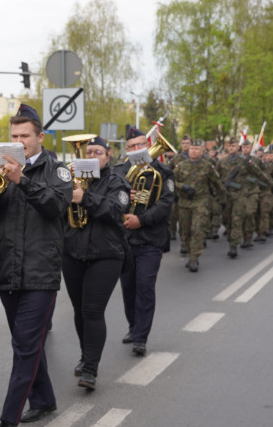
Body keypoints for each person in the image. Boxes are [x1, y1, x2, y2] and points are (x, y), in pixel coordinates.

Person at [0, 104, 73, 427]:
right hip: (8, 269)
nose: (18, 142)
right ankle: (44, 399)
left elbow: (56, 207)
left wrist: (23, 180)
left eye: (24, 136)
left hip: (41, 273)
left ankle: (8, 420)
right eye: (13, 137)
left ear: (39, 137)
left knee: (26, 346)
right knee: (25, 343)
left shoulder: (57, 171)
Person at [62, 135, 131, 390]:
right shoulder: (71, 179)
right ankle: (85, 355)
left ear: (108, 155)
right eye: (87, 151)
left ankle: (90, 369)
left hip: (106, 254)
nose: (91, 155)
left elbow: (115, 211)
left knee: (92, 311)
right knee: (79, 311)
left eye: (97, 152)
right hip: (72, 252)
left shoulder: (117, 181)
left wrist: (84, 198)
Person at [115, 126, 174, 357]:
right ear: (126, 150)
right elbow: (111, 200)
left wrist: (141, 219)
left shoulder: (163, 171)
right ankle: (133, 326)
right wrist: (123, 200)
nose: (136, 149)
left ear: (148, 146)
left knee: (145, 288)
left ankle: (141, 336)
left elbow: (166, 204)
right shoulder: (120, 171)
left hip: (151, 239)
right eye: (132, 147)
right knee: (128, 288)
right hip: (125, 239)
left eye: (141, 145)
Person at [173, 138, 225, 272]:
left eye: (196, 149)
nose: (193, 151)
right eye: (191, 148)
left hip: (201, 202)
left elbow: (217, 183)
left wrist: (223, 200)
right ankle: (190, 251)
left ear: (202, 151)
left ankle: (194, 258)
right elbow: (171, 182)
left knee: (197, 229)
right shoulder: (181, 166)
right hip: (184, 203)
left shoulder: (207, 166)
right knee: (185, 231)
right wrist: (182, 187)